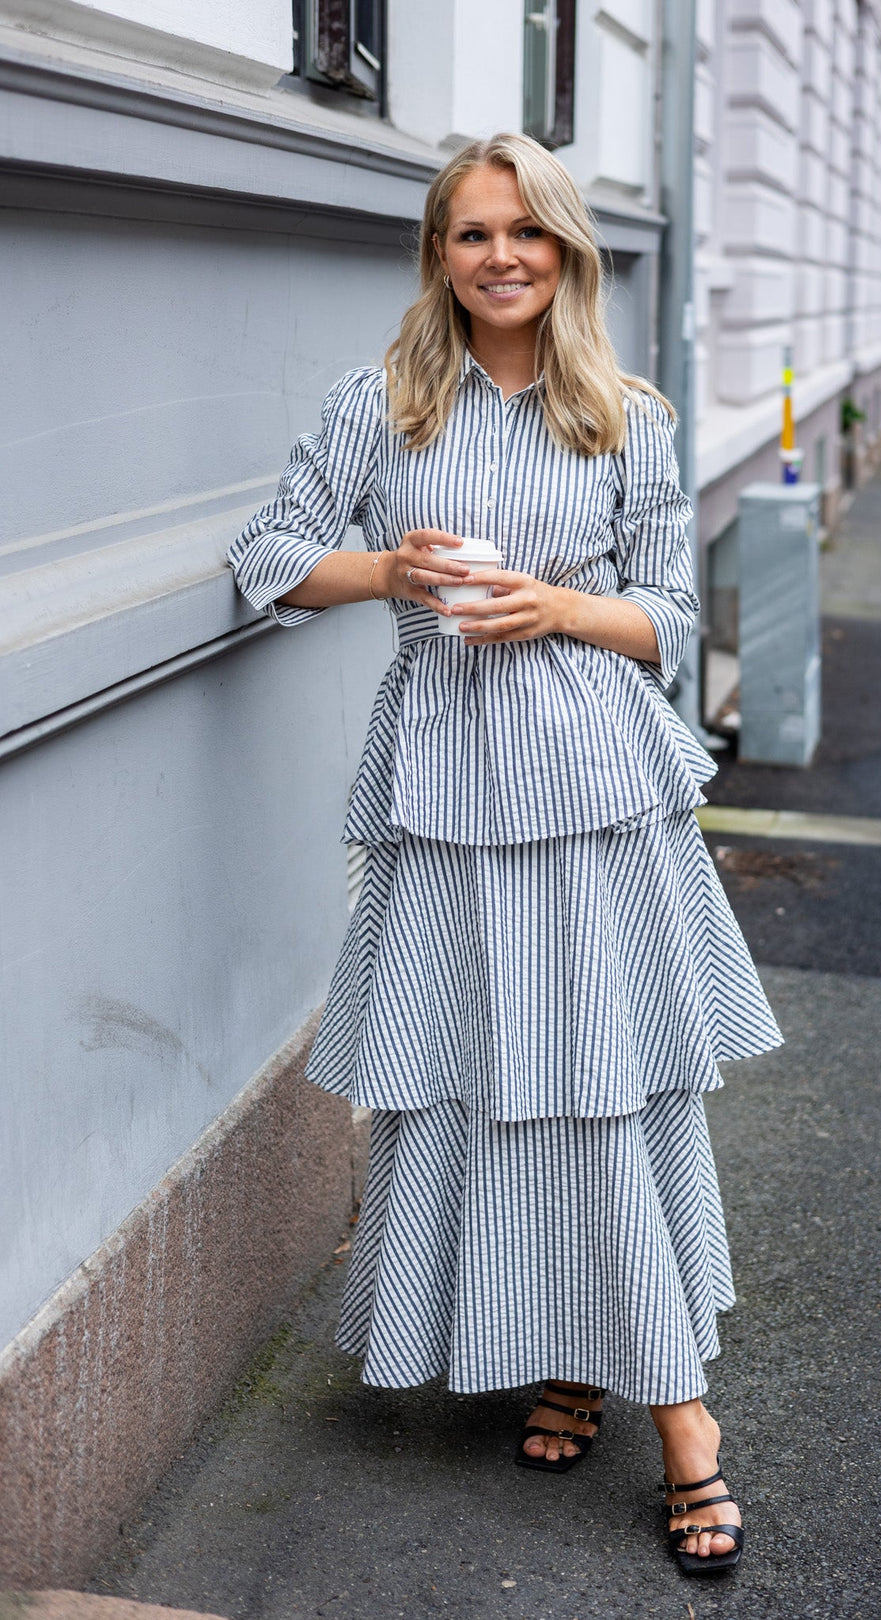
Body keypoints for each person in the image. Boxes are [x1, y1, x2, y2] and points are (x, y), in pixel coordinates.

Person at [226, 132, 782, 1578]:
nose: (502, 258)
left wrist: (553, 607)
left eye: (526, 232)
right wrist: (392, 573)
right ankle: (571, 1356)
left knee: (600, 1086)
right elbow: (270, 560)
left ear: (567, 248)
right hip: (449, 792)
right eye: (473, 235)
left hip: (596, 793)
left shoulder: (625, 412)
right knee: (493, 1080)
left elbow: (672, 616)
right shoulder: (387, 401)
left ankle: (683, 1425)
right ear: (440, 254)